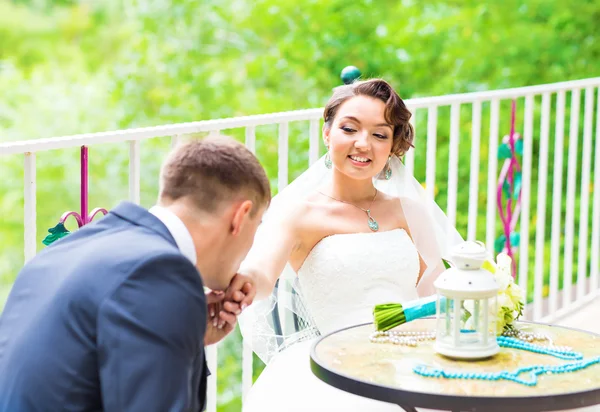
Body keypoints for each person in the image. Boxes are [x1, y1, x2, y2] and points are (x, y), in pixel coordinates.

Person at [230, 79, 464, 411]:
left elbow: (433, 291)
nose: (363, 144)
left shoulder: (409, 210)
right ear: (327, 133)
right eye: (349, 129)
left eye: (379, 135)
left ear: (392, 146)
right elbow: (262, 273)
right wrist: (242, 281)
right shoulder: (300, 214)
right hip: (339, 365)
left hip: (413, 356)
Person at [0, 136, 269, 412]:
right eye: (257, 225)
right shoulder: (159, 274)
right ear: (240, 216)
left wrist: (185, 333)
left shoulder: (73, 248)